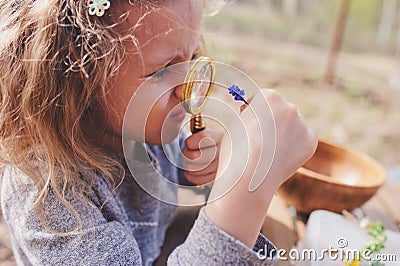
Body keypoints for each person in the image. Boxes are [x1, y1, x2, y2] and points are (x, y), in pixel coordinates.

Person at [0, 0, 318, 265]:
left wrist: (205, 160)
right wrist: (246, 193)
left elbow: (171, 176)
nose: (188, 90)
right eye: (161, 71)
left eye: (192, 58)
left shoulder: (141, 130)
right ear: (75, 80)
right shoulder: (48, 193)